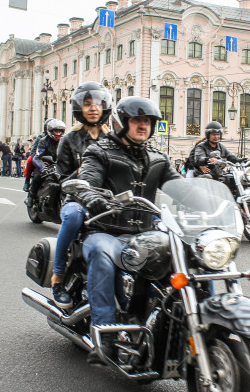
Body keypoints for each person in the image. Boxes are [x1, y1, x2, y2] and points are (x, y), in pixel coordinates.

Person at [73, 96, 181, 364]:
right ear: (123, 123)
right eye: (137, 120)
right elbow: (86, 180)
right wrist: (93, 196)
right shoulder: (99, 151)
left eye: (148, 121)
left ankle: (155, 320)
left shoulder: (158, 158)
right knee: (101, 254)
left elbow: (180, 186)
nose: (143, 125)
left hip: (145, 234)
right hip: (105, 230)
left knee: (183, 255)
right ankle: (106, 335)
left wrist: (207, 197)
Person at [48, 82, 112, 309]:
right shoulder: (69, 140)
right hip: (75, 200)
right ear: (79, 108)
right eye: (87, 104)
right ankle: (58, 276)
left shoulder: (112, 140)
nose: (93, 108)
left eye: (97, 104)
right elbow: (63, 180)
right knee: (74, 216)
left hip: (106, 200)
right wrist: (81, 172)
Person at [26, 119, 66, 208]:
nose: (58, 133)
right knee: (38, 176)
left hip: (59, 166)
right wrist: (43, 168)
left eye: (60, 131)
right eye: (56, 131)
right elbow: (37, 156)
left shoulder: (64, 140)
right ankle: (31, 196)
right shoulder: (44, 140)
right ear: (50, 131)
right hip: (46, 164)